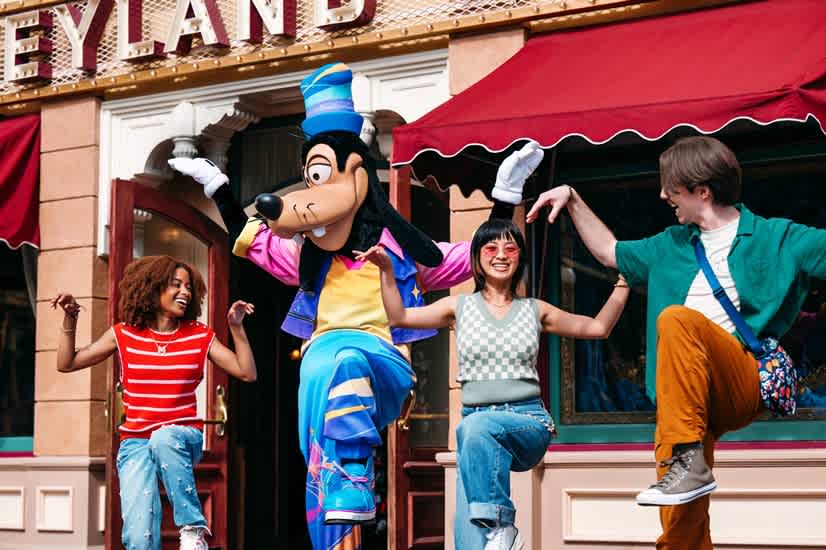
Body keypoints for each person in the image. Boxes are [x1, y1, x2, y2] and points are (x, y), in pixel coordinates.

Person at [168, 64, 544, 550]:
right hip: (321, 373)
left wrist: (504, 197)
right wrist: (218, 188)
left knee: (345, 357)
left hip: (381, 363)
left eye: (325, 174)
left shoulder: (401, 254)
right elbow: (255, 240)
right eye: (312, 176)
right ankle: (338, 503)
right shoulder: (305, 258)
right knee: (319, 455)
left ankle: (355, 479)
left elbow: (478, 256)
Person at [526, 135, 826, 549]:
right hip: (681, 404)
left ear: (702, 191)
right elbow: (611, 252)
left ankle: (688, 462)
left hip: (738, 379)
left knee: (677, 320)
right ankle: (689, 468)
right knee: (680, 522)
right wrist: (573, 198)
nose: (663, 194)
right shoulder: (670, 245)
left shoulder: (777, 237)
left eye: (672, 188)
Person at [355, 218, 629, 550]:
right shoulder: (459, 307)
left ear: (519, 259)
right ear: (478, 260)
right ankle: (492, 531)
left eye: (510, 247)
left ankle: (501, 524)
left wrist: (624, 283)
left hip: (527, 423)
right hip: (477, 437)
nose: (501, 254)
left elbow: (597, 328)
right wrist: (386, 271)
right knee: (470, 537)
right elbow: (400, 317)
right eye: (491, 247)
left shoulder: (534, 310)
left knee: (476, 431)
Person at [52, 255, 257, 550]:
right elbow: (67, 363)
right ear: (152, 287)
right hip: (135, 442)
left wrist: (236, 327)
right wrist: (70, 318)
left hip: (182, 436)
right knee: (139, 536)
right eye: (176, 285)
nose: (185, 292)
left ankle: (192, 528)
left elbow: (246, 372)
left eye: (189, 287)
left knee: (164, 437)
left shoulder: (199, 336)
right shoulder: (123, 334)